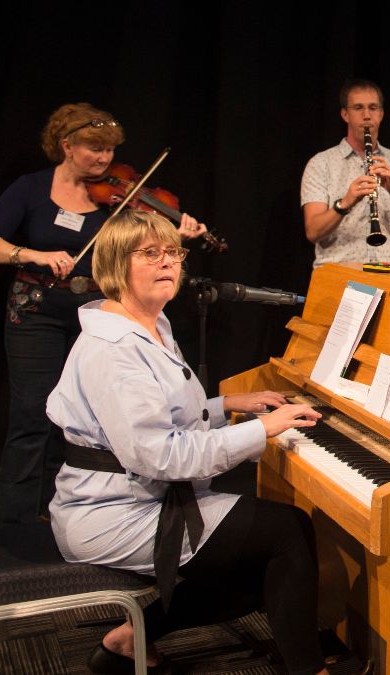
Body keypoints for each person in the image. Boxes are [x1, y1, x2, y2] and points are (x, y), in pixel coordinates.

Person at [47, 210, 332, 674]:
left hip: (142, 496)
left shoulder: (149, 323)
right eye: (150, 254)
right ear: (117, 265)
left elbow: (166, 415)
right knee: (286, 532)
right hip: (109, 513)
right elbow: (161, 454)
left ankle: (130, 636)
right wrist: (264, 428)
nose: (168, 263)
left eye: (173, 252)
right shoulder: (115, 350)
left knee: (264, 562)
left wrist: (227, 404)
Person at [0, 102, 207, 525]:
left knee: (81, 423)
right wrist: (32, 253)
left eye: (108, 151)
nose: (104, 160)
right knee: (32, 415)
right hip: (38, 310)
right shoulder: (31, 188)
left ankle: (56, 515)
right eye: (94, 150)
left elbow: (142, 241)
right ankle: (11, 526)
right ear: (66, 145)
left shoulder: (119, 197)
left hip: (99, 313)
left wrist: (175, 232)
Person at [302, 78, 390, 267]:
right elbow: (313, 231)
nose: (367, 115)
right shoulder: (320, 164)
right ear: (345, 114)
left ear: (381, 114)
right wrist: (345, 203)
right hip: (338, 274)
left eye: (373, 108)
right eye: (358, 108)